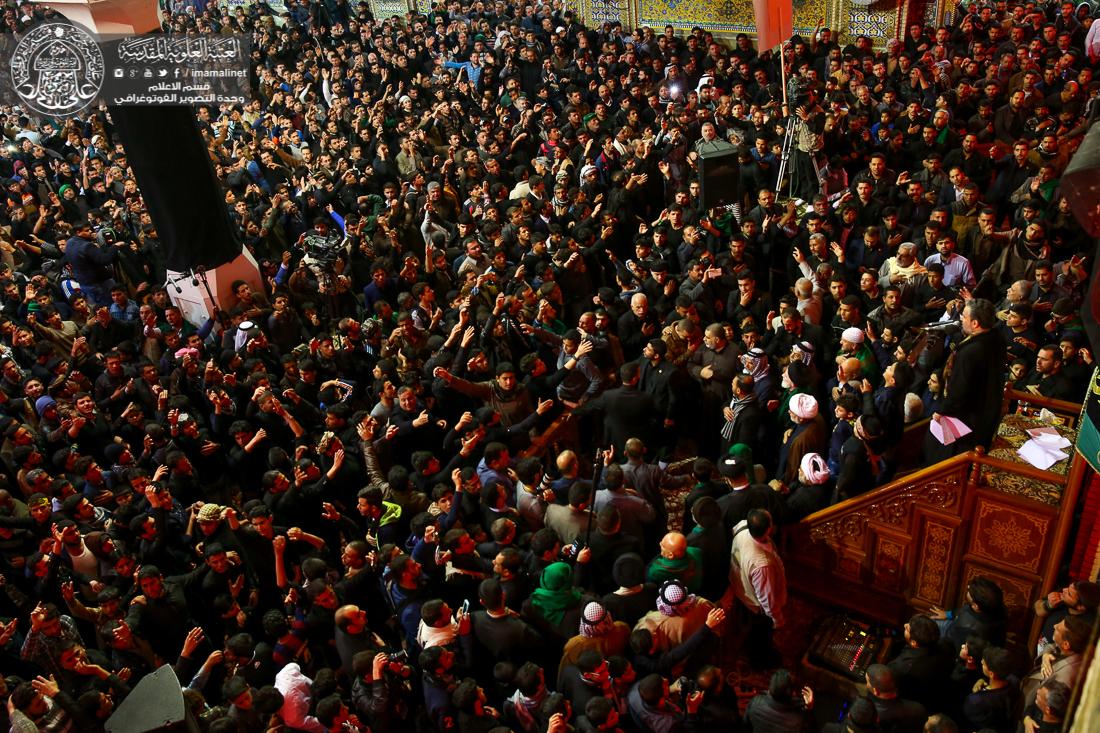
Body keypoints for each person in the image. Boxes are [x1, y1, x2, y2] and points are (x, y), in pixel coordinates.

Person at [926, 299, 1006, 461]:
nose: (961, 319)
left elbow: (959, 390)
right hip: (986, 412)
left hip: (965, 420)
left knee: (945, 456)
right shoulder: (996, 338)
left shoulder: (971, 352)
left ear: (975, 323)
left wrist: (942, 411)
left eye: (964, 316)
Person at [727, 509, 785, 669]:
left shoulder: (742, 526)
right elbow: (766, 598)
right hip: (755, 606)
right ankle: (759, 662)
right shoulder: (761, 564)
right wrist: (777, 619)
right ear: (768, 529)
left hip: (740, 587)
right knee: (759, 637)